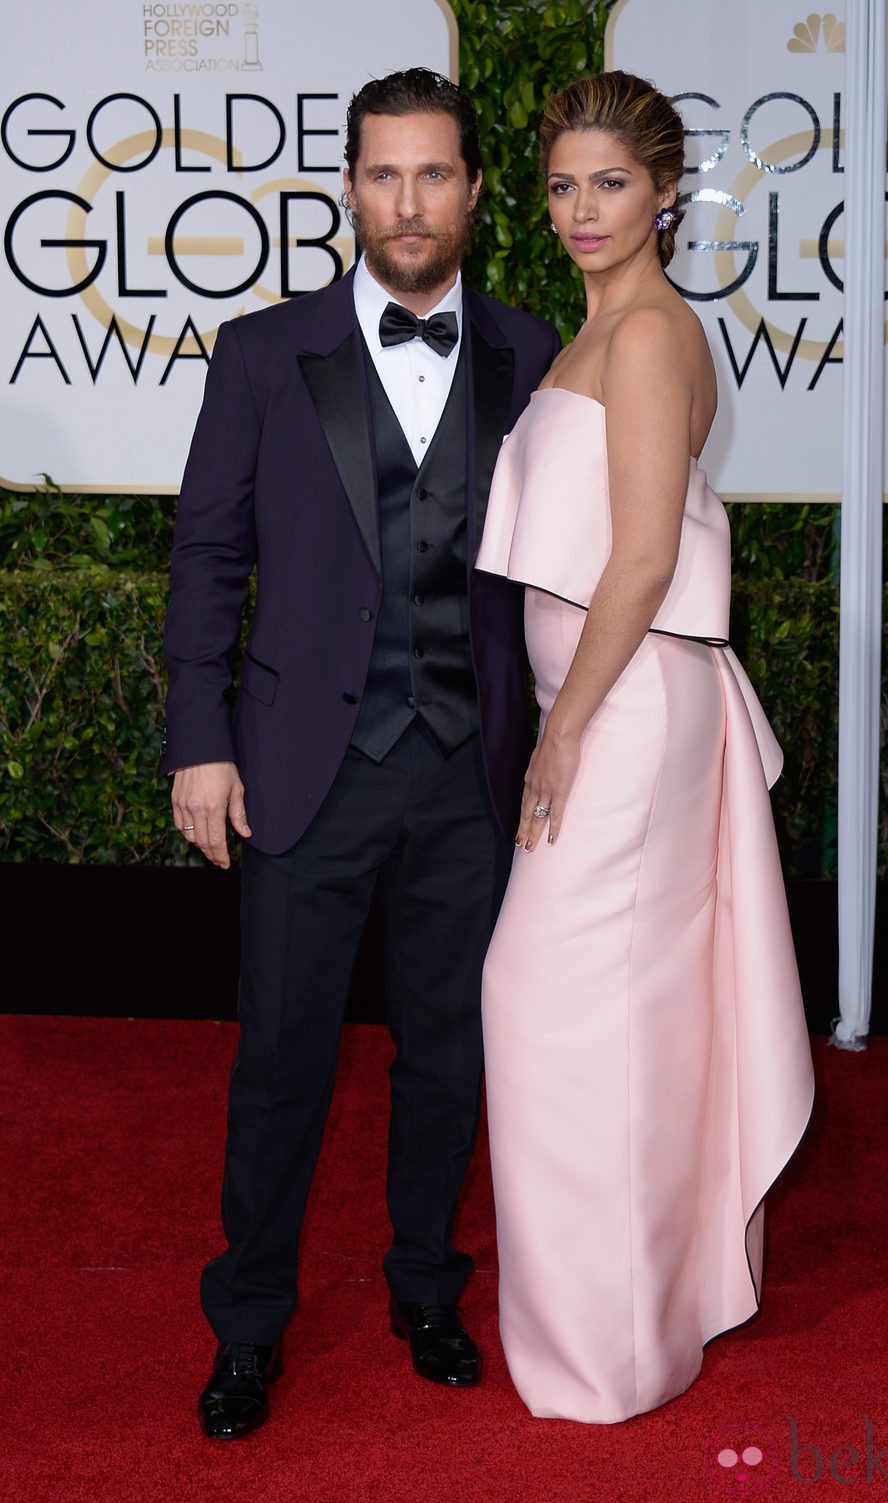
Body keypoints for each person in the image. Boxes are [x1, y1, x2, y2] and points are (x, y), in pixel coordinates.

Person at [162, 67, 560, 1440]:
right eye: (383, 175)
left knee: (450, 1052)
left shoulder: (529, 349)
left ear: (472, 191)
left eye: (433, 175)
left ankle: (427, 1290)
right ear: (349, 188)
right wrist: (200, 742)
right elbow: (208, 555)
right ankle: (249, 1325)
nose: (408, 202)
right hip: (297, 766)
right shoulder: (264, 354)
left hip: (469, 771)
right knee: (282, 1058)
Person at [475, 71, 815, 1424]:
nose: (582, 209)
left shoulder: (653, 336)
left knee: (552, 1005)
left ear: (668, 192)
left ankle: (611, 1345)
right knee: (607, 1016)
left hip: (626, 713)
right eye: (563, 183)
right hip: (608, 708)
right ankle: (631, 1314)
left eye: (611, 183)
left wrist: (560, 734)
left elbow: (644, 559)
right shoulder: (595, 334)